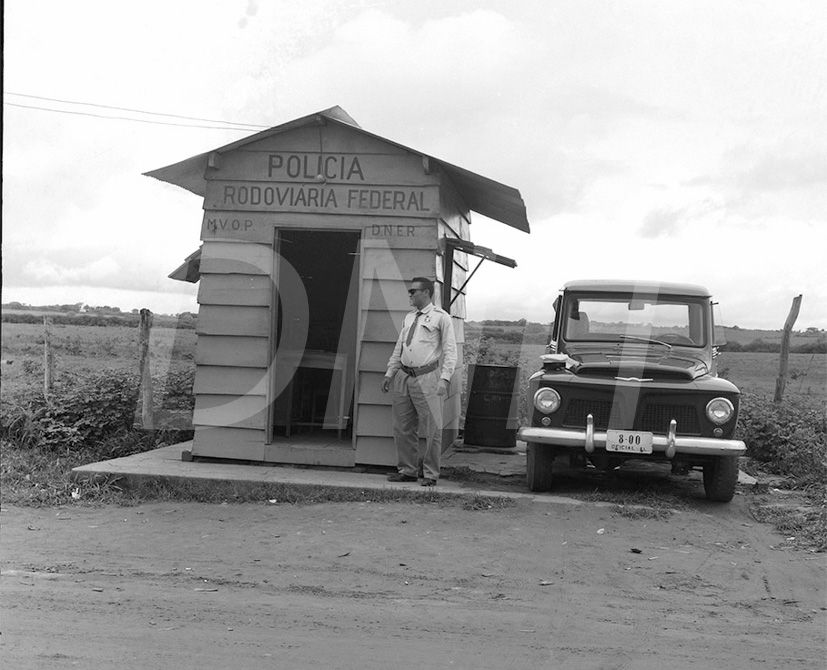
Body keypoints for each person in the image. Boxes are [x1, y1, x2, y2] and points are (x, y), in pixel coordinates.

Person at [381, 277, 457, 486]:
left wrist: (445, 378)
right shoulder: (409, 318)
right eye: (410, 291)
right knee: (403, 426)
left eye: (413, 291)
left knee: (432, 427)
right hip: (404, 376)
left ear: (426, 292)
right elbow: (400, 347)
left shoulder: (441, 318)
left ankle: (431, 473)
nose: (410, 295)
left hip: (428, 377)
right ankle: (408, 470)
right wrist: (390, 372)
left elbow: (450, 351)